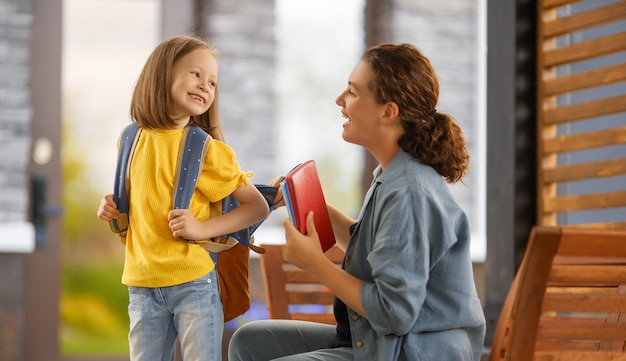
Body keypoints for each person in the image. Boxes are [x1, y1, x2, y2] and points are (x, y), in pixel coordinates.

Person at [228, 43, 486, 361]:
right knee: (249, 341)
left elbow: (394, 313)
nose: (340, 100)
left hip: (411, 351)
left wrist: (316, 265)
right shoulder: (393, 175)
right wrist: (309, 204)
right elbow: (375, 247)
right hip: (382, 340)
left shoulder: (407, 192)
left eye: (352, 92)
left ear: (387, 112)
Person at [96, 35, 270, 361]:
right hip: (142, 285)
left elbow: (256, 205)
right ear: (163, 74)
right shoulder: (130, 139)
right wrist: (110, 208)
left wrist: (202, 229)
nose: (206, 86)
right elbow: (136, 202)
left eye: (213, 82)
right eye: (196, 74)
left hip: (194, 285)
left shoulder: (206, 149)